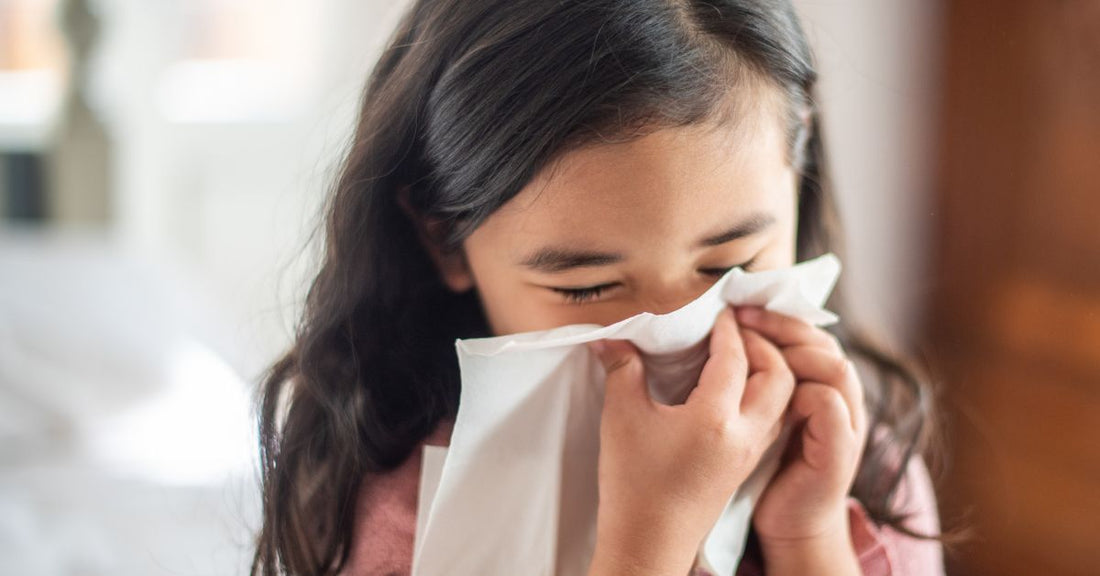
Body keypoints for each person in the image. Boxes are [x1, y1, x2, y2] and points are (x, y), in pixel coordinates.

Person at [250, 0, 947, 574]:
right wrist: (648, 539)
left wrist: (808, 534)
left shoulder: (861, 470)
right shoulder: (401, 509)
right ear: (443, 238)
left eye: (728, 266)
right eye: (588, 288)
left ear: (798, 170)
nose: (680, 329)